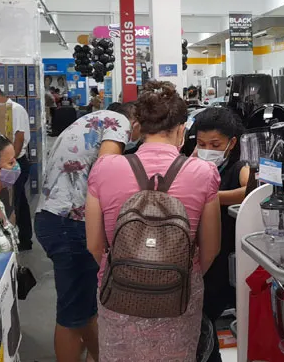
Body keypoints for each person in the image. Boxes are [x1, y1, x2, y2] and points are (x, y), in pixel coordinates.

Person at [85, 81, 221, 362]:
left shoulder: (104, 168)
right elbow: (211, 249)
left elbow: (94, 245)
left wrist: (129, 272)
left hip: (119, 293)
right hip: (179, 297)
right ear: (181, 129)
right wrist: (176, 274)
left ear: (138, 127)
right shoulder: (203, 172)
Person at [34, 103, 135, 362]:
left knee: (84, 307)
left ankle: (100, 355)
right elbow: (106, 174)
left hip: (53, 217)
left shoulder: (90, 121)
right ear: (136, 120)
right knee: (72, 315)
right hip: (69, 222)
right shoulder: (119, 122)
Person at [194, 107, 250, 362]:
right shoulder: (194, 167)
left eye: (215, 145)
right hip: (200, 257)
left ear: (231, 143)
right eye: (201, 144)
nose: (208, 150)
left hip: (225, 258)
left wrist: (211, 198)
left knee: (208, 314)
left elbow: (250, 189)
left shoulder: (238, 167)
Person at [0, 85, 32, 251]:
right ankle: (25, 240)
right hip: (9, 162)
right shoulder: (2, 111)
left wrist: (10, 164)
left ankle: (17, 242)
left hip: (16, 162)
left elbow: (19, 137)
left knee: (13, 204)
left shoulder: (15, 109)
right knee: (19, 201)